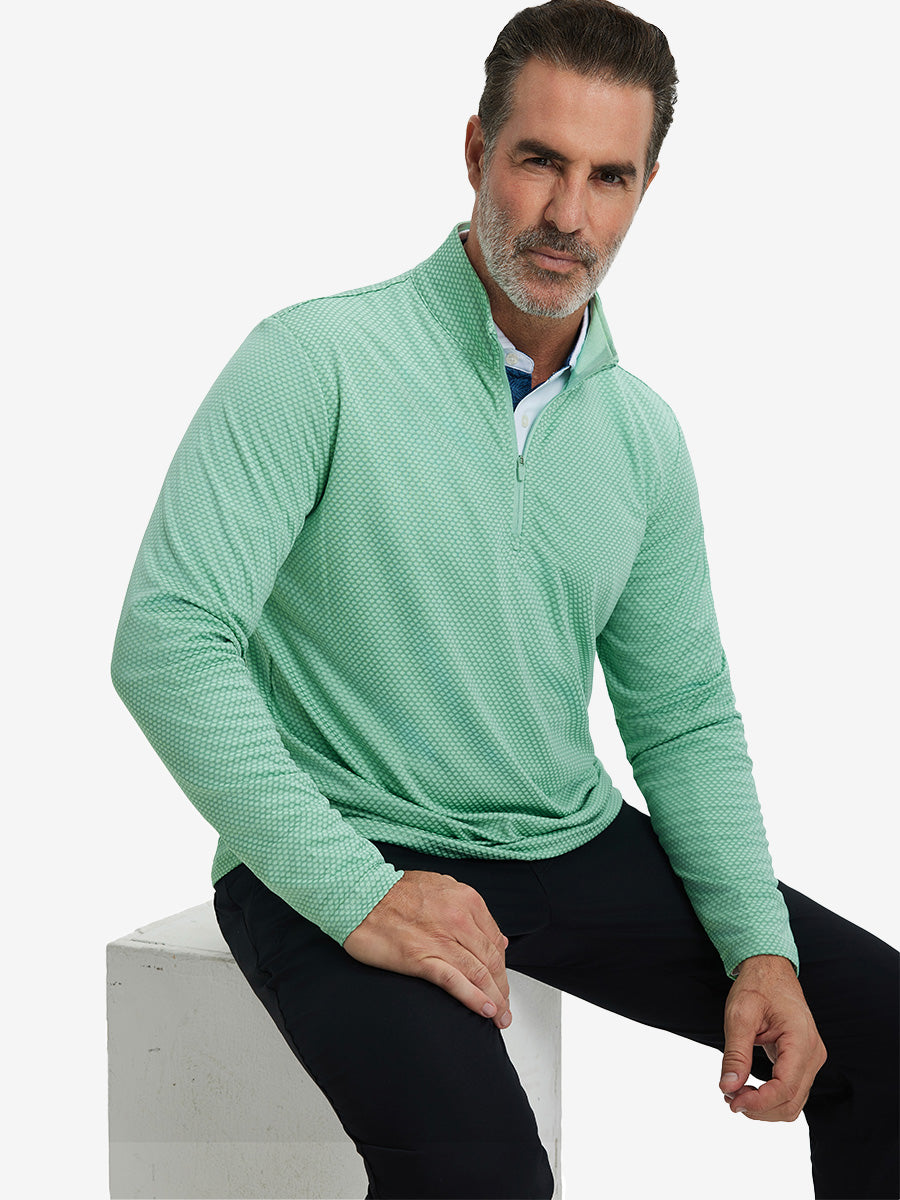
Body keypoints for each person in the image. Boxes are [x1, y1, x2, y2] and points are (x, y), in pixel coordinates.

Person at [110, 1, 899, 1196]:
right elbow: (171, 639)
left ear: (643, 190)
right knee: (483, 1176)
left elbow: (683, 715)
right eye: (540, 160)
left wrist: (757, 944)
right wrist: (357, 893)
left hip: (564, 838)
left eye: (608, 176)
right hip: (349, 829)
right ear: (478, 150)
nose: (568, 214)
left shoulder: (641, 437)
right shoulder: (315, 361)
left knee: (884, 1030)